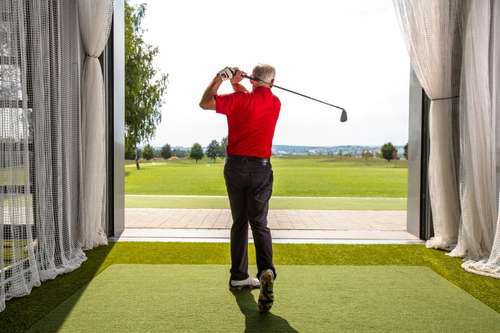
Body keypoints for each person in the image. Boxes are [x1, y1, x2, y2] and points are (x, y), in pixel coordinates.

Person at [199, 64, 280, 313]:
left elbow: (205, 103)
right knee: (259, 222)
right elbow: (252, 99)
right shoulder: (275, 102)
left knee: (239, 222)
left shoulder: (237, 99)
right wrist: (239, 83)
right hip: (260, 169)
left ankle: (238, 276)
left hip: (235, 168)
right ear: (273, 82)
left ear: (252, 79)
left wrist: (220, 79)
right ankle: (265, 270)